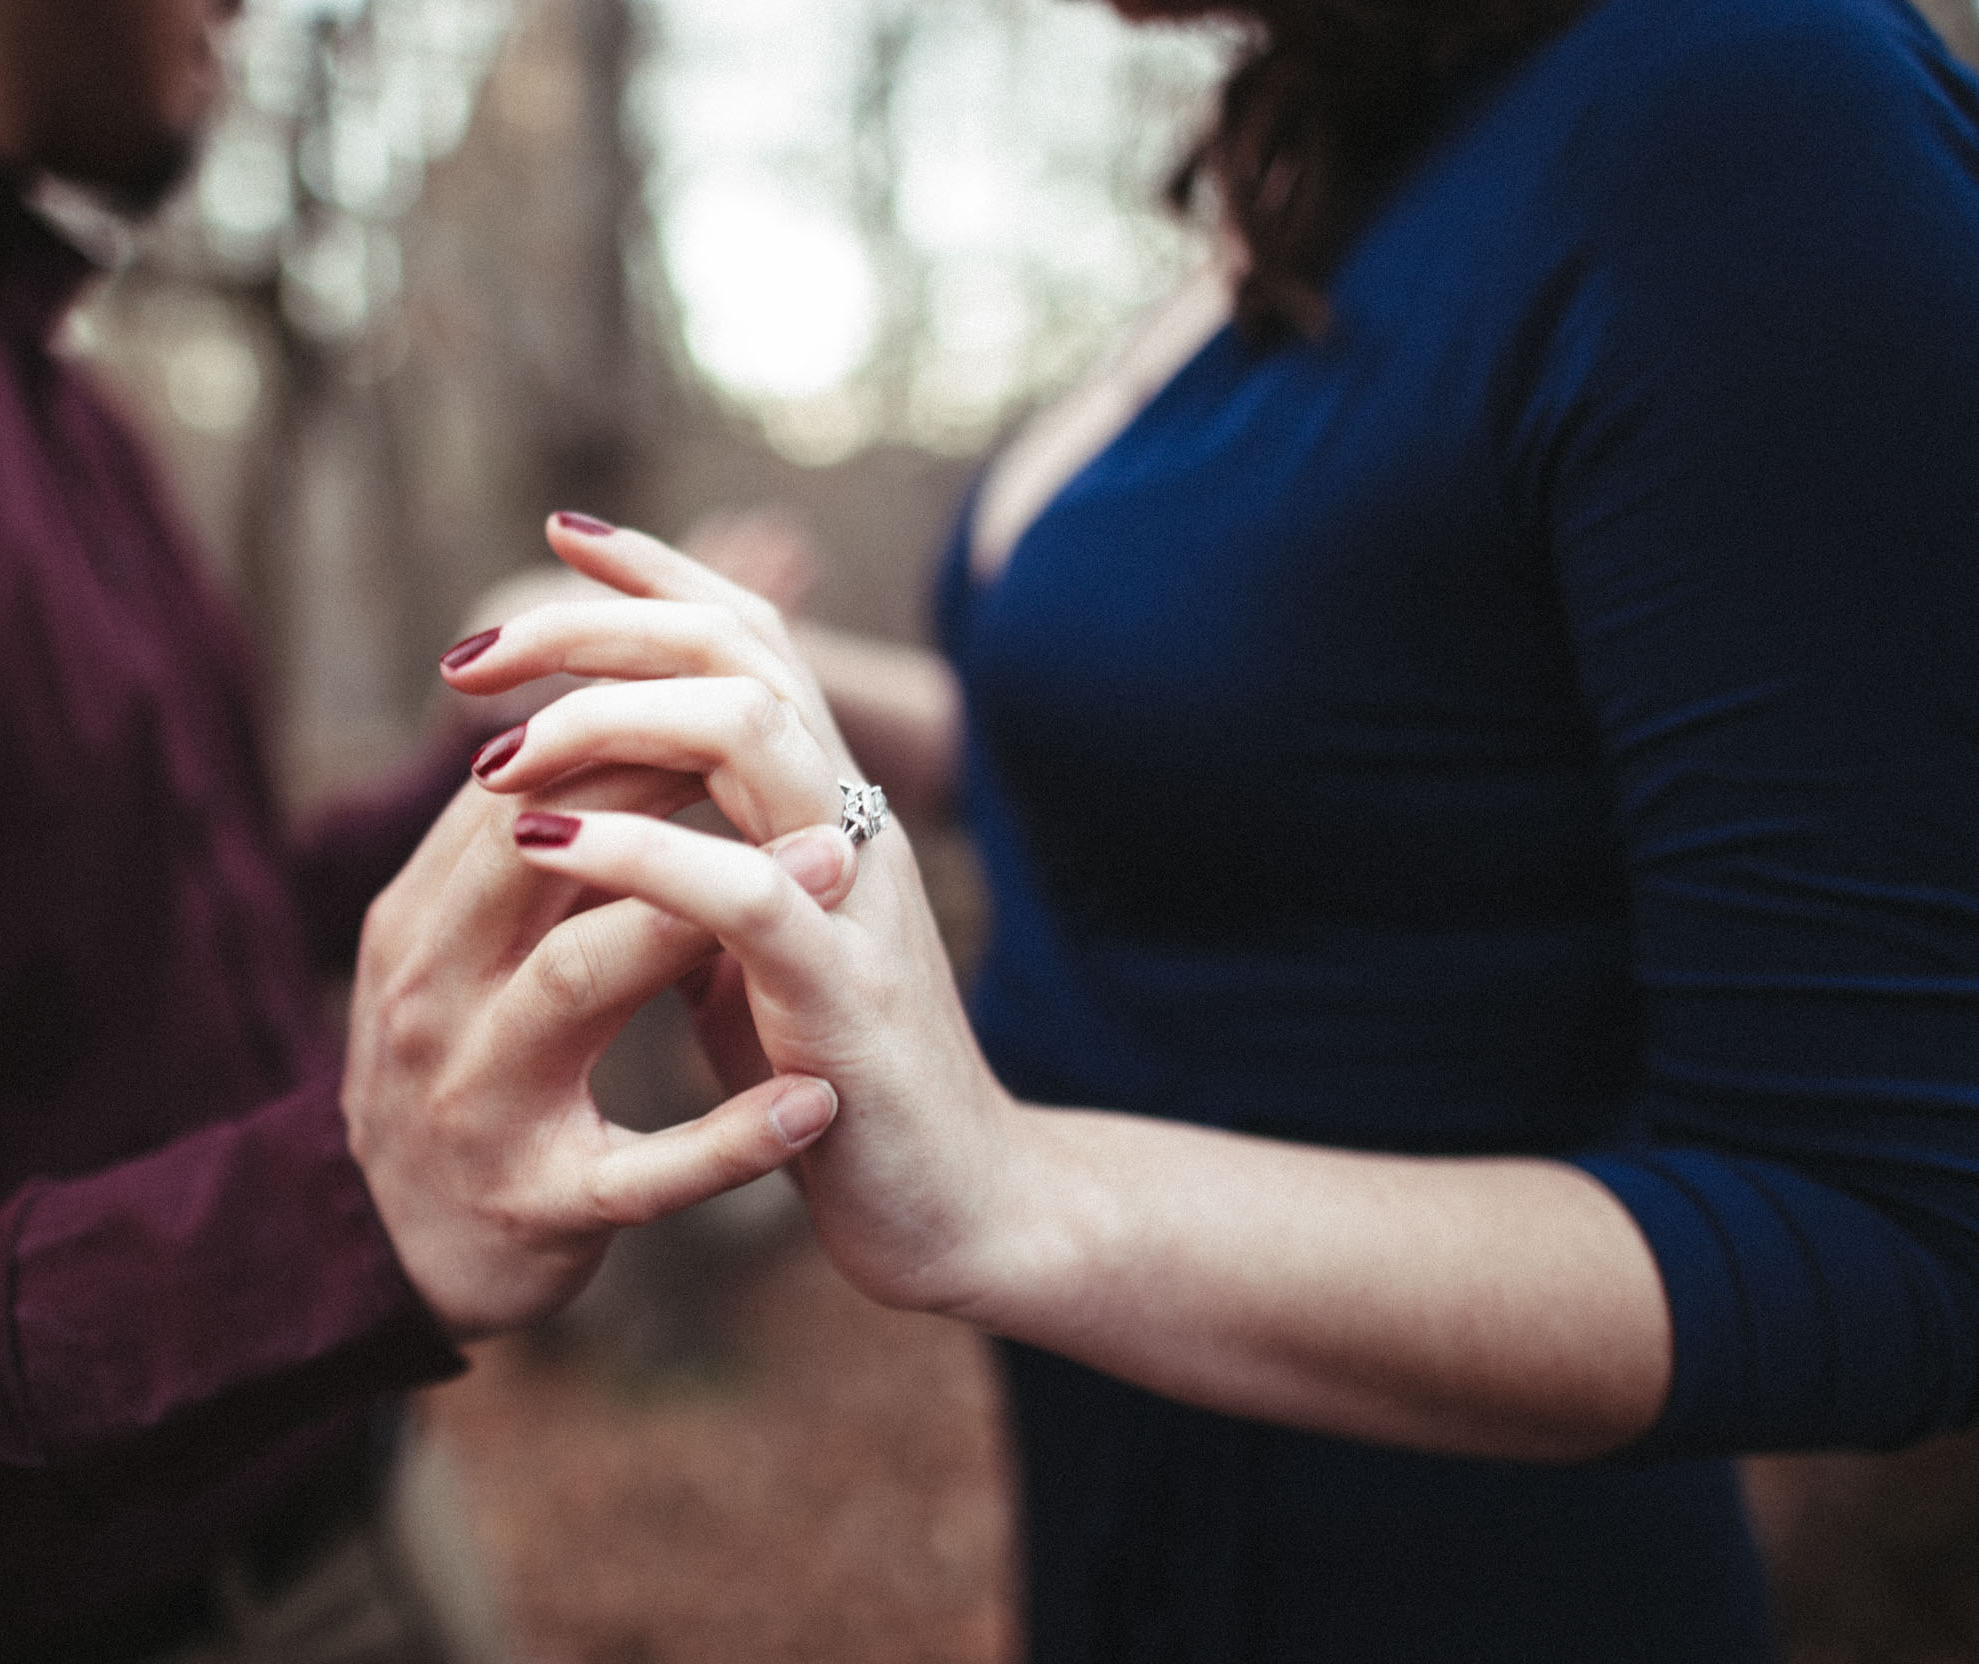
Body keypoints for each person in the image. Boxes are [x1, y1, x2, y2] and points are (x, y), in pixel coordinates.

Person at [436, 0, 1979, 1655]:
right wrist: (758, 681)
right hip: (1119, 1503)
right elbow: (1202, 760)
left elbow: (1887, 1235)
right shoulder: (1338, 142)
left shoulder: (1750, 99)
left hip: (1444, 1581)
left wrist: (1012, 1187)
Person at [0, 0, 830, 1657]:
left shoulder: (16, 344)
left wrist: (524, 761)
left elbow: (184, 932)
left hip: (370, 1526)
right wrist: (327, 1229)